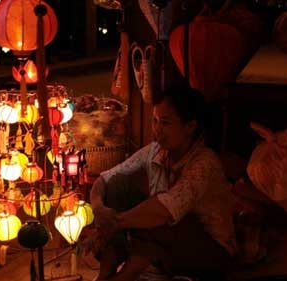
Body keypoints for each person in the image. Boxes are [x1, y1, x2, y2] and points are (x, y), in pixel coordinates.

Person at [87, 82, 238, 281]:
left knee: (158, 214)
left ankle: (125, 276)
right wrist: (99, 209)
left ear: (190, 126)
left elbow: (166, 209)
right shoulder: (156, 150)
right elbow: (105, 179)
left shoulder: (205, 163)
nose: (157, 129)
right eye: (154, 120)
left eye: (165, 123)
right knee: (118, 185)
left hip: (210, 254)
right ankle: (105, 273)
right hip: (165, 245)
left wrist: (114, 223)